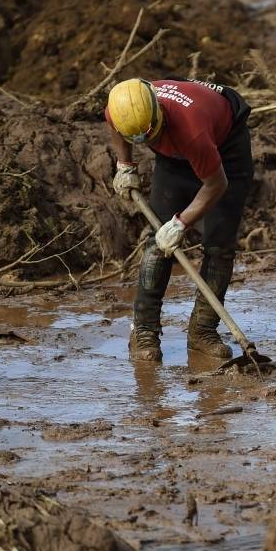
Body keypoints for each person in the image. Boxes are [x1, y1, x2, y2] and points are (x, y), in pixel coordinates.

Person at [106, 77, 253, 363]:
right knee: (157, 241)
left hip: (225, 150)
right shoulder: (122, 107)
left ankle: (203, 332)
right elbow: (114, 126)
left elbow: (216, 184)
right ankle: (144, 330)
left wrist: (181, 223)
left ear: (159, 113)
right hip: (174, 152)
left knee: (219, 245)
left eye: (148, 135)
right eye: (138, 139)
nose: (145, 143)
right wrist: (125, 164)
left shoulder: (192, 130)